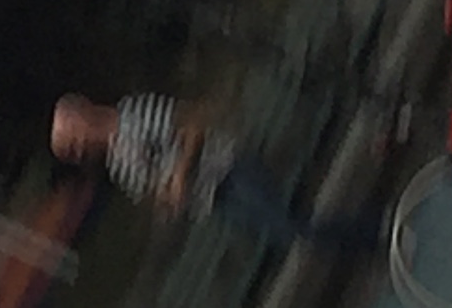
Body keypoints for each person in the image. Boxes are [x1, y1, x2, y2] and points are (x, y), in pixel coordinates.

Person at [49, 93, 368, 255]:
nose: (79, 151)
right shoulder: (117, 167)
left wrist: (180, 173)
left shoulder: (135, 113)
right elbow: (153, 192)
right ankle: (362, 236)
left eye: (72, 142)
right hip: (212, 198)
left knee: (289, 225)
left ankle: (369, 231)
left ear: (81, 117)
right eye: (71, 152)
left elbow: (193, 125)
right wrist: (166, 202)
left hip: (227, 168)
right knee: (287, 232)